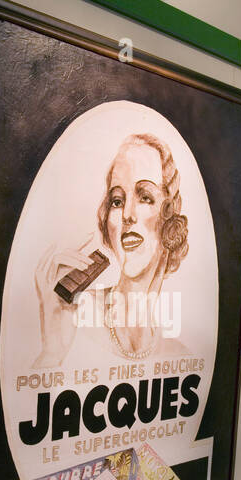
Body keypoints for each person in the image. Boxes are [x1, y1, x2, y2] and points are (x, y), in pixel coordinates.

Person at [32, 132, 190, 366]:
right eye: (117, 201)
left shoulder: (178, 355)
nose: (127, 214)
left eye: (145, 197)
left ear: (170, 218)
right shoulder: (73, 314)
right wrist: (52, 353)